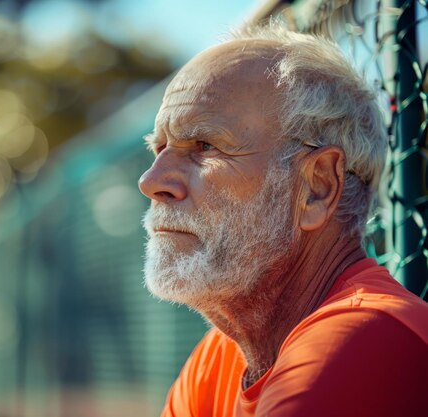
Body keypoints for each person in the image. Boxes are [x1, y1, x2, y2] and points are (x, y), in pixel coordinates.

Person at [138, 24, 428, 417]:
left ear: (317, 188)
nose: (151, 181)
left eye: (204, 146)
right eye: (160, 148)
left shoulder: (363, 338)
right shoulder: (221, 357)